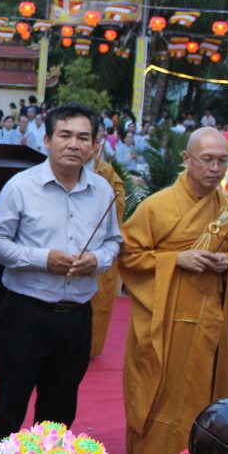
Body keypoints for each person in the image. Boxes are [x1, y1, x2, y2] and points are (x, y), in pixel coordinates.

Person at [120, 127, 228, 454]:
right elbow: (130, 257)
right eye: (208, 160)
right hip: (162, 326)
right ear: (187, 160)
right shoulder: (157, 206)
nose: (216, 168)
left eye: (223, 161)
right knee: (154, 398)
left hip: (209, 332)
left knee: (206, 404)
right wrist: (175, 259)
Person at [0, 104, 122, 438]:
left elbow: (113, 241)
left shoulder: (102, 190)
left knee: (60, 408)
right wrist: (43, 259)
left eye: (83, 137)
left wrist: (98, 260)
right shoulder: (21, 186)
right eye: (65, 135)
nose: (73, 145)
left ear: (94, 146)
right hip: (26, 313)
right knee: (11, 402)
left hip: (76, 316)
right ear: (47, 140)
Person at [86, 126, 126, 358]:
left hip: (98, 245)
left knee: (98, 299)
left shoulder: (106, 172)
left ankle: (91, 347)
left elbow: (118, 209)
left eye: (92, 141)